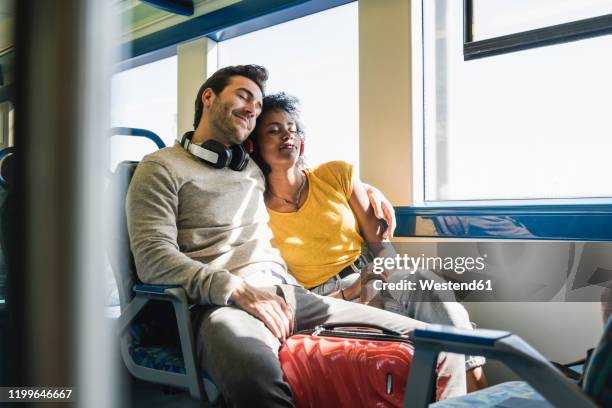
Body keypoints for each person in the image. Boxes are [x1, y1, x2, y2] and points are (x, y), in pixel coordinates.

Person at [126, 64, 467, 407]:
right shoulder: (159, 167)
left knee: (437, 345)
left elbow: (293, 161)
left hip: (292, 296)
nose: (252, 108)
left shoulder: (249, 167)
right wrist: (237, 290)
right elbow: (153, 258)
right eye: (243, 96)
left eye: (257, 106)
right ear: (208, 96)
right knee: (255, 380)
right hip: (221, 305)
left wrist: (364, 191)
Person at [248, 92, 487, 391]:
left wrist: (374, 278)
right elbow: (294, 294)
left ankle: (483, 395)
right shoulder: (254, 209)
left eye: (292, 128)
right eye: (274, 130)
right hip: (325, 298)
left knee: (432, 291)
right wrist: (353, 292)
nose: (287, 135)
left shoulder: (336, 174)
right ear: (253, 146)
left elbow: (383, 247)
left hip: (374, 271)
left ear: (302, 142)